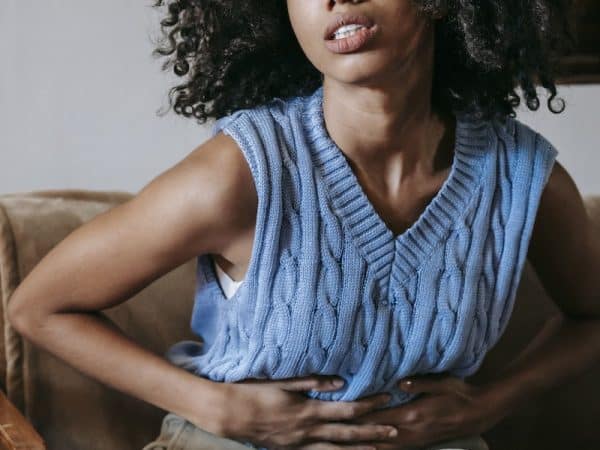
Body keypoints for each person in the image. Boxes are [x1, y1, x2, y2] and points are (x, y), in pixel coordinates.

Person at [8, 0, 600, 450]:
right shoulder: (242, 173)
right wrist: (214, 407)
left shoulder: (522, 176)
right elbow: (39, 306)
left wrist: (489, 406)